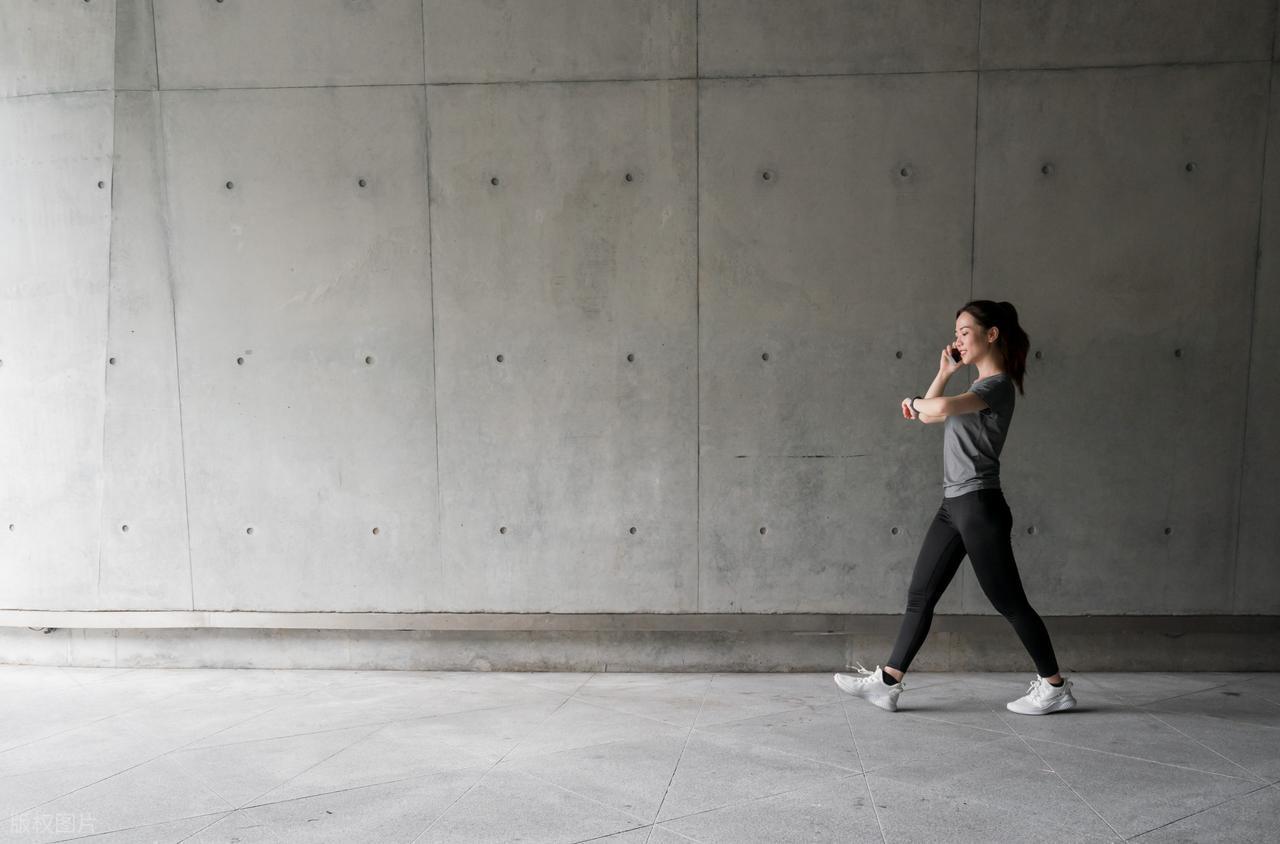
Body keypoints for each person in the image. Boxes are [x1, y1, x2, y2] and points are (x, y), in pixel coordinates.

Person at [833, 300, 1075, 716]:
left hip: (979, 505)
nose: (958, 340)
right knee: (920, 593)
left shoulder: (996, 386)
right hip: (954, 506)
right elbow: (931, 415)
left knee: (1009, 601)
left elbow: (937, 408)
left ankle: (1055, 687)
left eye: (965, 332)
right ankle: (888, 683)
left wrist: (916, 401)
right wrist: (943, 373)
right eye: (956, 333)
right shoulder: (974, 388)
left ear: (991, 334)